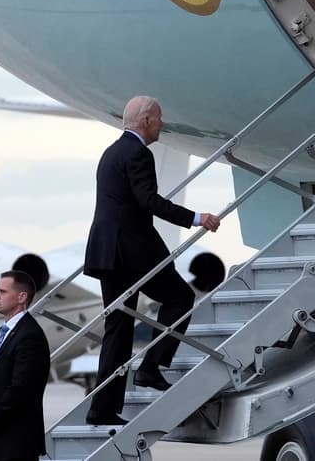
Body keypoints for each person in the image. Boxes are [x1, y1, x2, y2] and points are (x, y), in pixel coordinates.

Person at [83, 96, 221, 426]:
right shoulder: (139, 154)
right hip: (132, 251)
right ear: (145, 121)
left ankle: (101, 410)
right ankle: (150, 367)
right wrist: (196, 217)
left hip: (106, 251)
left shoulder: (111, 152)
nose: (162, 124)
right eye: (159, 118)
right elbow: (149, 202)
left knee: (117, 327)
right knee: (181, 298)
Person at [0, 270, 50, 461]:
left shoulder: (30, 335)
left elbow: (22, 387)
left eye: (2, 291)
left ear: (21, 297)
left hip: (17, 439)